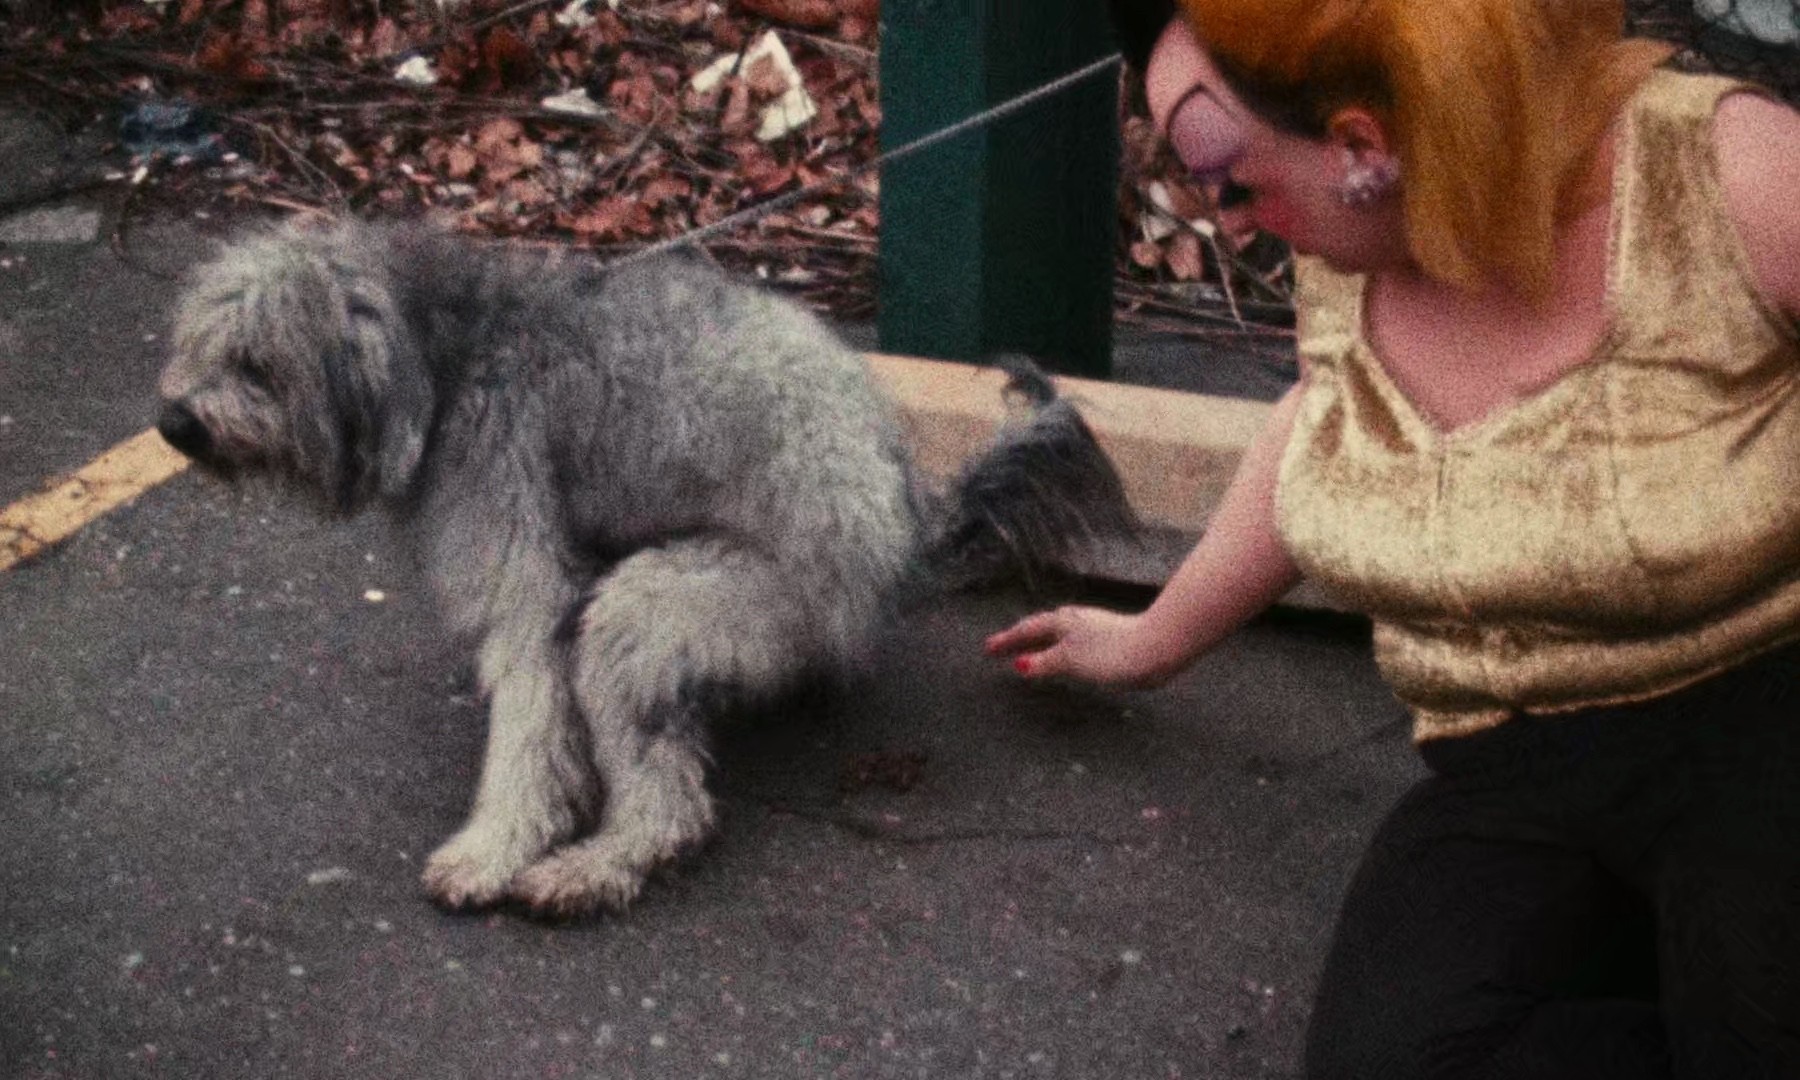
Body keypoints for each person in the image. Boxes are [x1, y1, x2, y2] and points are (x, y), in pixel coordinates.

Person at [986, 0, 1800, 1076]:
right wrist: (1152, 639)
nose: (1230, 224)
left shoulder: (1725, 174)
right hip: (1503, 753)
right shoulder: (1351, 238)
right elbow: (1329, 420)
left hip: (1752, 716)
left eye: (1231, 182)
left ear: (1363, 142)